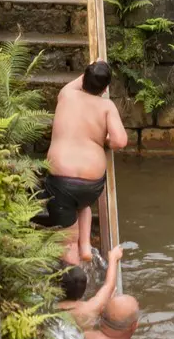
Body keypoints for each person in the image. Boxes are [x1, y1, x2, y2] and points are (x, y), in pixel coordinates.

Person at [37, 61, 128, 266]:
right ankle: (85, 247)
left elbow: (82, 81)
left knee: (67, 240)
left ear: (83, 78)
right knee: (82, 203)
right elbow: (120, 141)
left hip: (61, 181)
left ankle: (74, 275)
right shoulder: (107, 106)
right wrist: (105, 141)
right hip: (91, 184)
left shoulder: (66, 94)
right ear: (105, 88)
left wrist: (92, 69)